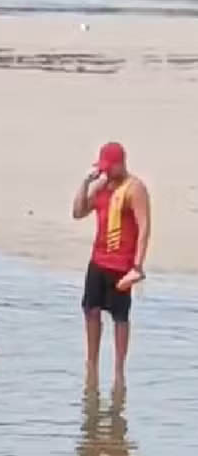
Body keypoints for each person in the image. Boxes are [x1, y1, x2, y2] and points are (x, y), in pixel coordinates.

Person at [72, 142, 151, 390]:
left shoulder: (134, 188)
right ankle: (92, 364)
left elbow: (144, 226)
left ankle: (119, 370)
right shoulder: (102, 186)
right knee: (91, 310)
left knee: (120, 317)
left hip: (121, 264)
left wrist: (137, 266)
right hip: (98, 260)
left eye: (108, 167)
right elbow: (77, 212)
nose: (105, 171)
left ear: (121, 163)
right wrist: (85, 183)